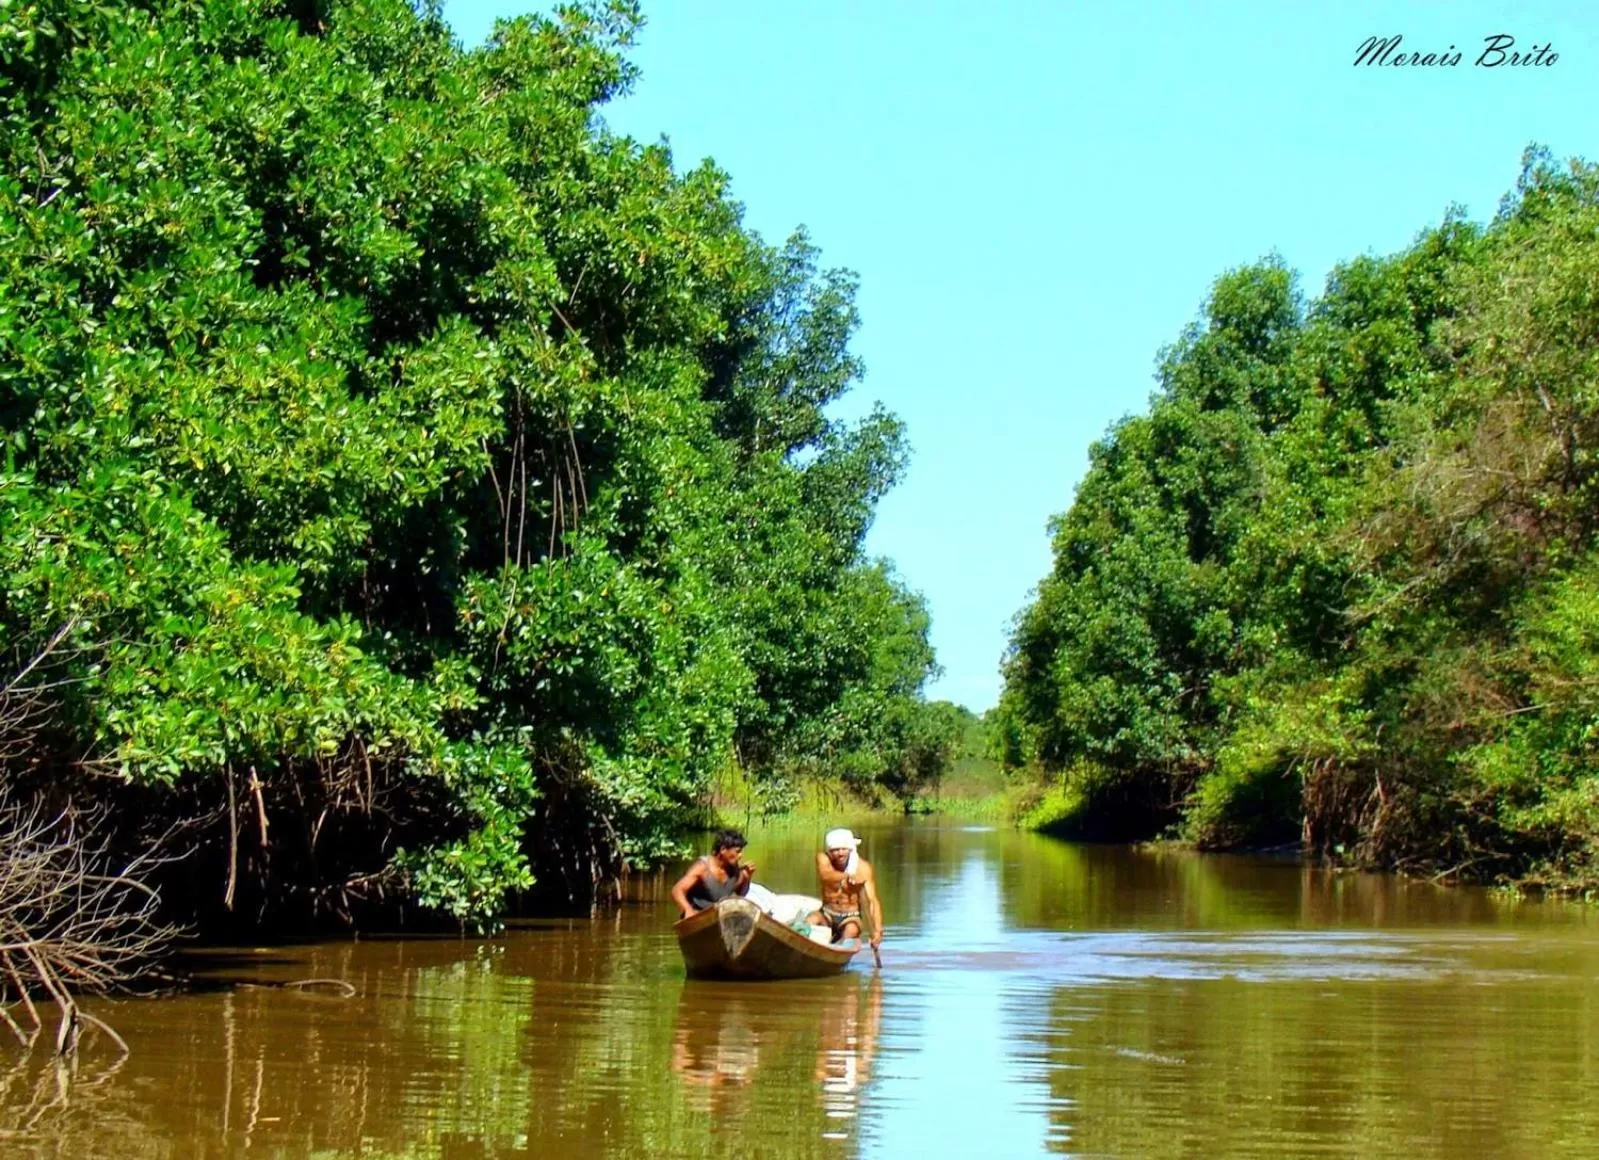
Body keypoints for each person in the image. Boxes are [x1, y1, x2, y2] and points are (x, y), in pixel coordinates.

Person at [806, 828, 883, 950]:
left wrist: (877, 931)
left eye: (844, 849)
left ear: (850, 849)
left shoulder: (863, 868)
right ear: (829, 851)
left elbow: (872, 901)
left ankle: (839, 950)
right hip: (827, 913)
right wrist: (847, 877)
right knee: (809, 922)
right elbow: (826, 875)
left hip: (850, 917)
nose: (840, 853)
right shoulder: (823, 859)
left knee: (850, 931)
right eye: (835, 850)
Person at [671, 828, 756, 918]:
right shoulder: (703, 868)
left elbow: (740, 894)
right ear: (723, 849)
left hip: (719, 916)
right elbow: (677, 890)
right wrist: (688, 909)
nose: (740, 856)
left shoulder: (734, 869)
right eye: (737, 851)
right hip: (698, 915)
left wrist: (747, 878)